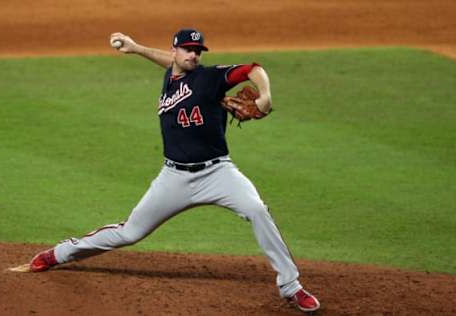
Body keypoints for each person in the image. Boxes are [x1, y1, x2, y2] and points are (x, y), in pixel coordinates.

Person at [29, 28, 320, 313]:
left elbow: (253, 69)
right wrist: (137, 48)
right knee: (130, 232)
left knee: (256, 210)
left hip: (218, 173)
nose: (193, 55)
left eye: (198, 51)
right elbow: (168, 62)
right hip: (174, 177)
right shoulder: (171, 73)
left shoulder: (210, 77)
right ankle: (59, 253)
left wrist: (265, 96)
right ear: (175, 52)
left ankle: (291, 286)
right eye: (188, 50)